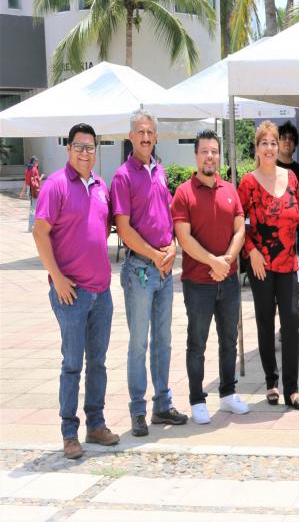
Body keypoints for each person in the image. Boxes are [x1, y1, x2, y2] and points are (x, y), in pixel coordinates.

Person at [33, 123, 119, 459]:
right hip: (71, 294)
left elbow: (105, 227)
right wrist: (57, 277)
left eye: (90, 147)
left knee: (97, 362)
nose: (85, 153)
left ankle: (95, 424)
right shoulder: (55, 185)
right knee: (72, 363)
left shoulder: (101, 186)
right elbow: (40, 234)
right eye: (79, 147)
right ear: (69, 149)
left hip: (102, 292)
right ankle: (70, 432)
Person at [111, 110, 187, 438]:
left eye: (150, 132)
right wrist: (156, 255)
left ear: (156, 137)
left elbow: (165, 218)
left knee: (164, 341)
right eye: (140, 132)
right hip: (140, 271)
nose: (145, 137)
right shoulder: (123, 176)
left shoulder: (160, 171)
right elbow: (124, 230)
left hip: (164, 270)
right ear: (131, 137)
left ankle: (162, 404)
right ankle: (137, 411)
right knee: (139, 344)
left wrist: (171, 247)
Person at [171, 130, 249, 425]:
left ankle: (228, 394)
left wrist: (228, 259)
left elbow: (240, 228)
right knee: (197, 342)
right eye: (204, 151)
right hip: (198, 283)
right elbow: (184, 239)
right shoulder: (184, 193)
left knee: (229, 339)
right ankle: (196, 399)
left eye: (214, 151)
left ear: (220, 155)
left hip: (227, 280)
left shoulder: (230, 190)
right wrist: (213, 262)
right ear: (196, 155)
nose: (209, 156)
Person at [240, 121, 299, 410]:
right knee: (266, 322)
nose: (269, 148)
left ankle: (292, 388)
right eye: (263, 143)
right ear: (256, 149)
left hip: (288, 261)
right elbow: (239, 224)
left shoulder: (291, 177)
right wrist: (251, 250)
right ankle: (271, 382)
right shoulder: (247, 183)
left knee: (291, 321)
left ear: (279, 146)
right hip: (261, 265)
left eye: (273, 142)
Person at [276, 122, 299, 253]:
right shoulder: (267, 169)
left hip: (295, 234)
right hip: (272, 233)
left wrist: (295, 225)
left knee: (296, 272)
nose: (287, 141)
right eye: (283, 137)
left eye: (291, 138)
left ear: (295, 144)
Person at [21, 155, 44, 231]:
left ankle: (34, 225)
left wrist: (23, 192)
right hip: (34, 191)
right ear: (35, 163)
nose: (38, 164)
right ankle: (31, 226)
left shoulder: (27, 170)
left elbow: (26, 182)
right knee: (33, 208)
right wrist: (42, 177)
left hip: (29, 190)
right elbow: (36, 182)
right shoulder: (34, 170)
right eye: (37, 163)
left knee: (34, 207)